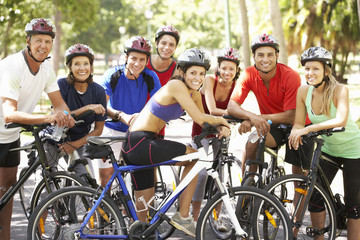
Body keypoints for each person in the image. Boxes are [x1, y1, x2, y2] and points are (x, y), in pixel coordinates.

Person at [121, 48, 231, 237]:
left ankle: (144, 231)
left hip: (145, 143)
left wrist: (219, 127)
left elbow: (204, 121)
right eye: (193, 73)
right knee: (195, 159)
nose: (198, 77)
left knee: (143, 222)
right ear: (182, 71)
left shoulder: (194, 93)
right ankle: (183, 216)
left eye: (202, 73)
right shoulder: (175, 85)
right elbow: (199, 116)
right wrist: (223, 121)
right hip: (138, 142)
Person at [0, 18, 74, 240]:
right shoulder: (12, 65)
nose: (43, 45)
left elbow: (59, 103)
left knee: (7, 190)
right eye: (38, 40)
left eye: (48, 41)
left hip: (10, 136)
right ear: (28, 41)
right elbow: (9, 113)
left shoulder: (45, 69)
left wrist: (66, 116)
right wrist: (49, 117)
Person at [288, 46, 360, 240]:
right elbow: (298, 123)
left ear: (326, 71)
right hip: (328, 149)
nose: (310, 73)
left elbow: (341, 120)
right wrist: (295, 133)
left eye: (315, 69)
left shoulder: (340, 89)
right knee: (316, 197)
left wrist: (309, 129)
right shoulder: (303, 92)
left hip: (354, 150)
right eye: (307, 69)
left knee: (354, 205)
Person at [227, 33, 313, 178]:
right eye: (260, 55)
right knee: (251, 142)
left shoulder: (290, 75)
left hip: (299, 125)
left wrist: (255, 118)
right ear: (253, 56)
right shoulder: (248, 74)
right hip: (272, 125)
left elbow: (291, 115)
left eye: (270, 55)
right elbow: (232, 106)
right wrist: (252, 117)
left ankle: (299, 201)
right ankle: (246, 194)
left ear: (277, 56)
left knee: (299, 176)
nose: (265, 59)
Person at [98, 36, 161, 188]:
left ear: (147, 61)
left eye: (142, 59)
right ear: (126, 57)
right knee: (106, 181)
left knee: (144, 178)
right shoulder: (112, 75)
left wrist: (143, 116)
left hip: (137, 131)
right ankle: (107, 210)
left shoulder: (151, 77)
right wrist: (120, 115)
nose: (137, 63)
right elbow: (100, 106)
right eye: (133, 58)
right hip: (112, 129)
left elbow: (159, 105)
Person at [190, 47, 241, 222]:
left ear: (236, 70)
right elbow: (212, 110)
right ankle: (195, 219)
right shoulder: (210, 80)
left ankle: (215, 219)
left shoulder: (235, 86)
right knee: (202, 175)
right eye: (224, 68)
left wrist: (233, 118)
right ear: (218, 67)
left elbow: (236, 110)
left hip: (221, 133)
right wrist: (233, 116)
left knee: (220, 176)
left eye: (231, 69)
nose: (227, 72)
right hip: (202, 132)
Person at [44, 43, 107, 179]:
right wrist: (87, 107)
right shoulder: (62, 85)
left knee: (86, 182)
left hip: (79, 141)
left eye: (86, 63)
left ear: (91, 66)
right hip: (54, 137)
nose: (82, 68)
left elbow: (98, 130)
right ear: (70, 67)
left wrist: (74, 145)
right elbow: (60, 116)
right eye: (77, 64)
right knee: (48, 180)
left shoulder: (98, 91)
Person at [147, 25, 180, 136]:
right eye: (163, 43)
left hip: (158, 123)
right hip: (136, 117)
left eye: (171, 45)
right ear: (156, 43)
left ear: (175, 48)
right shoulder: (144, 62)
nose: (167, 48)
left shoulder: (176, 70)